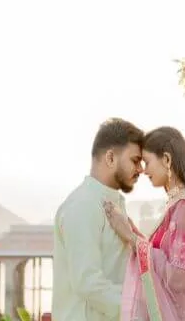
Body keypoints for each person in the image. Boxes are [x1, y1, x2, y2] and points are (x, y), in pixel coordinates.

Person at [102, 126, 185, 321]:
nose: (144, 170)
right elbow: (166, 258)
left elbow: (178, 277)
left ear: (167, 160)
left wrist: (131, 237)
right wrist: (131, 231)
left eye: (147, 161)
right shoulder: (177, 205)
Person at [52, 118, 145, 321]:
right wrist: (138, 307)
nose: (141, 169)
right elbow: (87, 282)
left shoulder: (112, 203)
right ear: (110, 158)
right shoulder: (83, 205)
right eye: (135, 160)